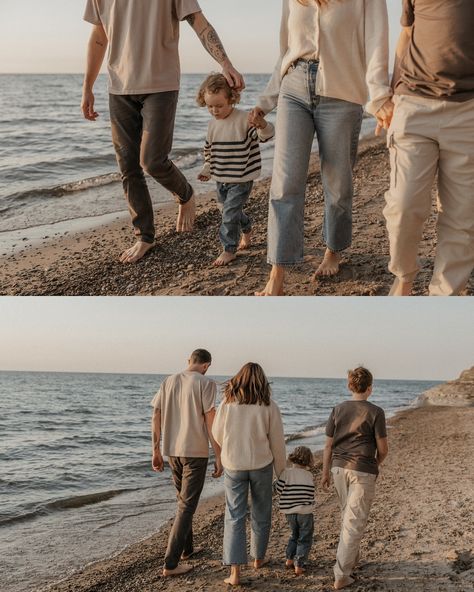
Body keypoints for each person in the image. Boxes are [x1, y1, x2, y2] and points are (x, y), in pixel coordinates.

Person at [82, 1, 244, 264]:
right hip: (118, 88)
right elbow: (99, 36)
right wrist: (87, 86)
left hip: (161, 84)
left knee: (152, 161)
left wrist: (225, 63)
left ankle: (185, 194)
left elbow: (199, 22)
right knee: (128, 167)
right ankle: (144, 236)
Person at [250, 0, 393, 296]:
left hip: (342, 93)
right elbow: (284, 51)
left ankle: (334, 249)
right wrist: (266, 101)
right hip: (294, 88)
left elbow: (376, 43)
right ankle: (278, 270)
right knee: (285, 183)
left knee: (338, 183)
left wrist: (379, 97)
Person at [383, 1, 474, 296]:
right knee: (404, 204)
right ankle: (404, 276)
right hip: (414, 102)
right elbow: (406, 35)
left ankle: (444, 302)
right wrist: (390, 93)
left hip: (468, 111)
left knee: (462, 218)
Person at [212, 362, 286, 586]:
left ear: (239, 379)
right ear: (262, 381)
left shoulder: (227, 404)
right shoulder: (269, 406)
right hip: (261, 465)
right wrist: (281, 473)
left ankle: (235, 573)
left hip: (234, 465)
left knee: (234, 516)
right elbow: (278, 443)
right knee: (262, 512)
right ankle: (258, 559)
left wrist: (229, 449)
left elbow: (216, 433)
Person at [151, 348, 222, 577]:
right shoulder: (206, 383)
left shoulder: (168, 381)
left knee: (182, 501)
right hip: (195, 451)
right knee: (186, 505)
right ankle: (170, 564)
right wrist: (219, 454)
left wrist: (155, 450)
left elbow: (156, 415)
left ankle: (186, 550)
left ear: (188, 361)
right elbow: (210, 419)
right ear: (207, 365)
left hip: (172, 451)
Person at [321, 367, 388, 590]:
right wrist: (375, 463)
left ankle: (351, 562)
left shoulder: (337, 409)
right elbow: (383, 448)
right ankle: (341, 575)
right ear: (370, 388)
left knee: (347, 517)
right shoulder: (376, 412)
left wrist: (324, 472)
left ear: (350, 386)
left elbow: (328, 445)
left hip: (338, 469)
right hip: (363, 470)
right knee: (353, 522)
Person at [197, 74, 274, 266]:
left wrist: (263, 124)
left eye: (219, 106)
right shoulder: (212, 124)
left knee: (229, 214)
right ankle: (247, 229)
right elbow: (209, 150)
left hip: (241, 178)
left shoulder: (243, 119)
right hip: (220, 178)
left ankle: (228, 249)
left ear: (231, 99)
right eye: (209, 106)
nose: (214, 110)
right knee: (229, 211)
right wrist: (207, 168)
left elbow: (264, 137)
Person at [275, 446, 315, 576]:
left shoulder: (286, 473)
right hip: (305, 513)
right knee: (304, 538)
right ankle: (299, 564)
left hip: (289, 512)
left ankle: (289, 559)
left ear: (293, 457)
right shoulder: (309, 475)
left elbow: (278, 490)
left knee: (294, 535)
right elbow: (310, 494)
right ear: (309, 460)